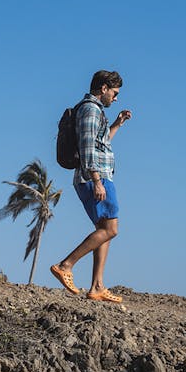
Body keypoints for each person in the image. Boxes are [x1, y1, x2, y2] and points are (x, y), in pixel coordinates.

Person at [50, 70, 132, 303]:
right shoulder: (90, 109)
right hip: (95, 177)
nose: (115, 98)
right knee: (110, 229)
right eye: (114, 93)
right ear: (103, 88)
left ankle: (97, 287)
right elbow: (87, 148)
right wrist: (96, 180)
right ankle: (65, 265)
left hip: (100, 176)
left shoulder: (96, 112)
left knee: (104, 230)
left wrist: (117, 123)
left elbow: (101, 143)